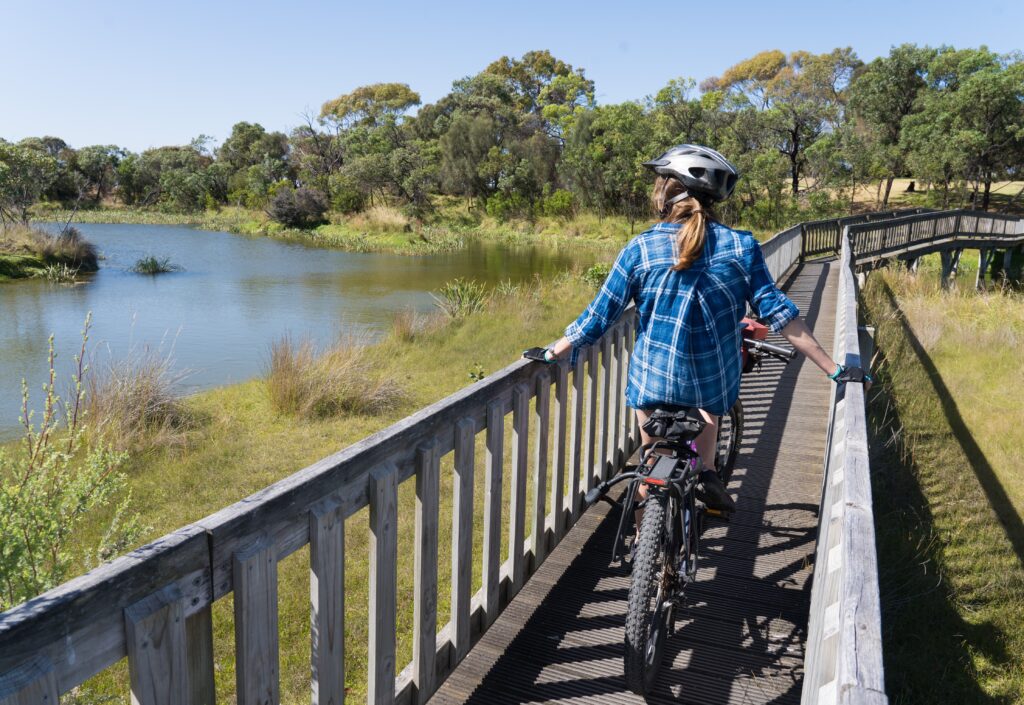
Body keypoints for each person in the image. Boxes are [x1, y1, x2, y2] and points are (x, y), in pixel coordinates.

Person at [535, 144, 871, 511]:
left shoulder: (640, 248)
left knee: (652, 463)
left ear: (667, 193)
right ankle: (708, 472)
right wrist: (835, 370)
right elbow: (780, 313)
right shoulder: (741, 247)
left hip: (652, 380)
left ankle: (644, 528)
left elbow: (599, 316)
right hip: (712, 382)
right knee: (709, 398)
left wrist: (554, 351)